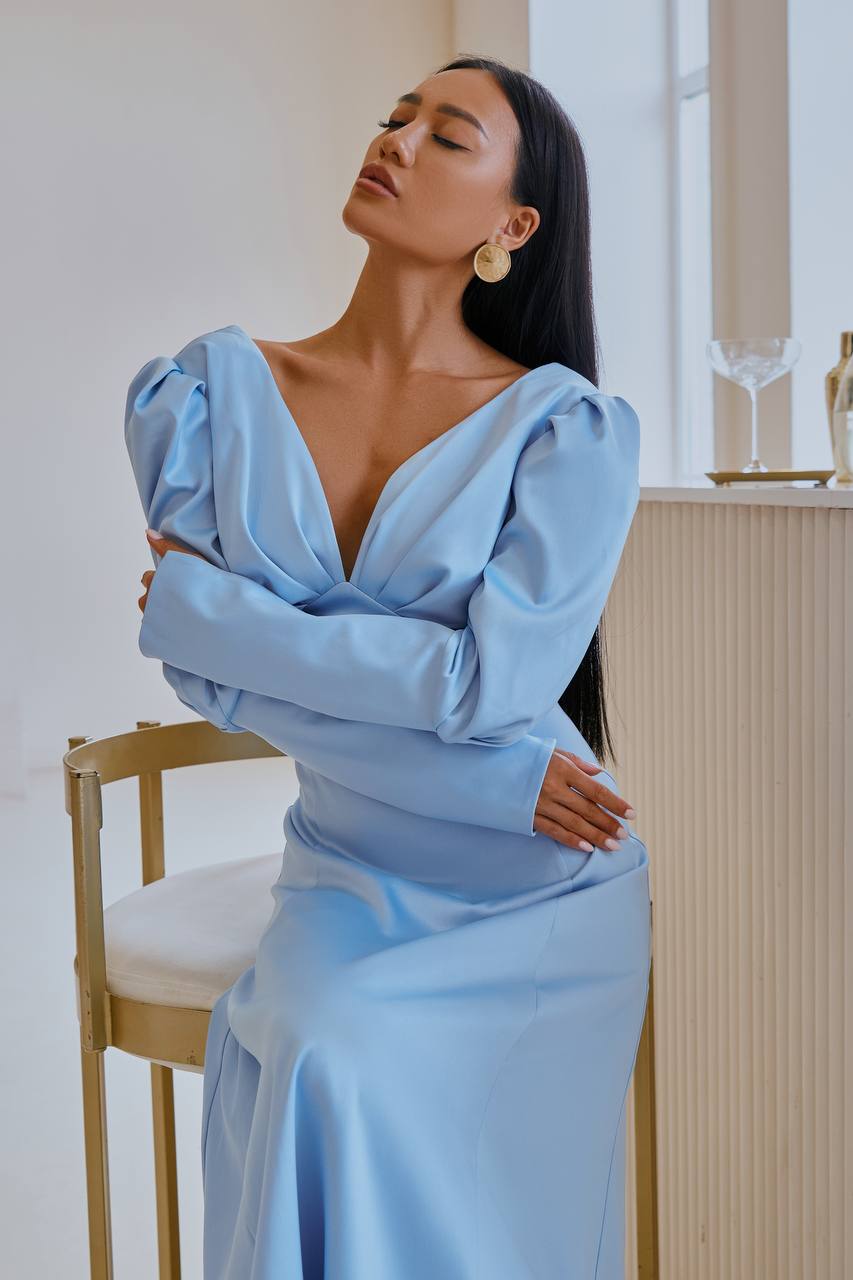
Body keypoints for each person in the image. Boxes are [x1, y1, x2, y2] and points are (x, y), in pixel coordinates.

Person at [125, 54, 651, 1280]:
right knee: (318, 1050)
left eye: (447, 136)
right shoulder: (208, 394)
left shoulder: (563, 427)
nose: (399, 141)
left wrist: (222, 618)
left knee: (343, 1063)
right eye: (396, 118)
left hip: (538, 878)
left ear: (512, 226)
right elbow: (210, 686)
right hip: (360, 860)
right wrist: (483, 769)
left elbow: (494, 694)